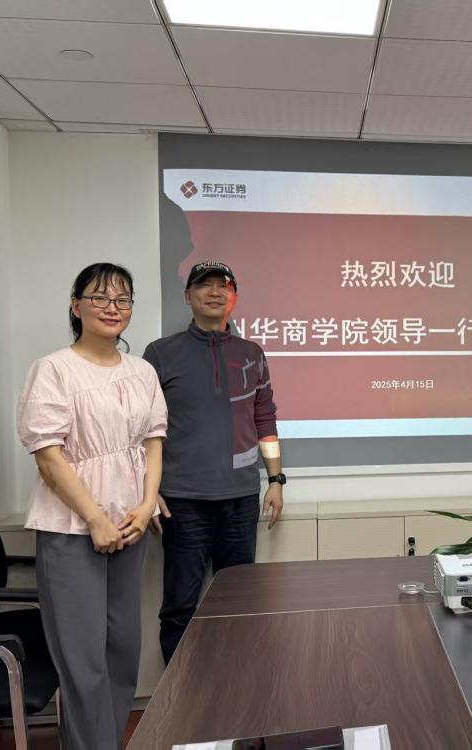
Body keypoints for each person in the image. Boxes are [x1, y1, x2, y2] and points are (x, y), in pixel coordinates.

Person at [17, 262, 166, 750]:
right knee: (83, 661)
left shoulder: (142, 371)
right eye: (99, 297)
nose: (111, 307)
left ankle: (106, 743)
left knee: (122, 652)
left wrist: (146, 504)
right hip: (72, 528)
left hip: (130, 525)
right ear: (75, 305)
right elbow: (48, 456)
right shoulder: (54, 369)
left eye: (122, 299)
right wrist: (95, 518)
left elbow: (153, 442)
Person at [143, 261, 284, 663]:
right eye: (204, 285)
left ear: (234, 298)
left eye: (224, 286)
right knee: (180, 607)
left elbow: (264, 419)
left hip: (241, 498)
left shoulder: (251, 354)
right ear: (188, 296)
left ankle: (234, 688)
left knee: (238, 602)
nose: (215, 292)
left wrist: (276, 480)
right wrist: (148, 492)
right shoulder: (160, 353)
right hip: (182, 500)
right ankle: (181, 694)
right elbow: (141, 428)